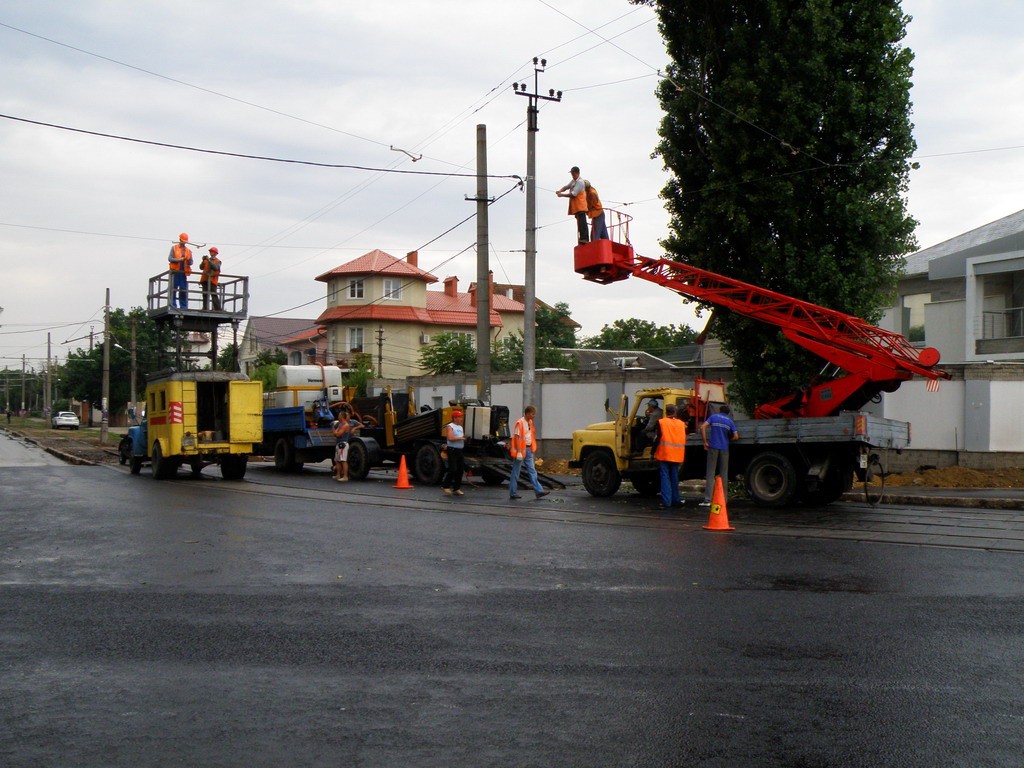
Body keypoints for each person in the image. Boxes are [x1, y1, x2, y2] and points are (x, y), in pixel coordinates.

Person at [508, 405, 550, 500]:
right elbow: (517, 438)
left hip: (528, 450)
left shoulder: (530, 422)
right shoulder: (520, 423)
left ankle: (539, 491)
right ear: (527, 414)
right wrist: (518, 452)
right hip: (521, 451)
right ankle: (513, 492)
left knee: (532, 471)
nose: (534, 415)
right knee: (516, 472)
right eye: (532, 414)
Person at [700, 404, 739, 506]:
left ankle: (708, 499)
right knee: (724, 474)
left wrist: (705, 441)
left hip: (713, 446)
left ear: (719, 410)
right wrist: (728, 439)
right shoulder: (729, 421)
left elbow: (702, 427)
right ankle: (724, 500)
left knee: (710, 473)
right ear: (728, 413)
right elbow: (736, 436)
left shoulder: (713, 417)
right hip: (724, 448)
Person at [655, 403, 687, 509]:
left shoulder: (661, 422)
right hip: (677, 454)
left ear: (666, 411)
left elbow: (657, 438)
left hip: (664, 453)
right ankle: (676, 500)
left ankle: (666, 502)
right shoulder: (681, 424)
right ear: (675, 412)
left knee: (665, 477)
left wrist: (652, 453)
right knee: (674, 478)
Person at [555, 166, 589, 245]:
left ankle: (585, 238)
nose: (572, 175)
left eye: (573, 173)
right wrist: (559, 191)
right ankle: (582, 238)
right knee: (580, 223)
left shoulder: (580, 182)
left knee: (582, 223)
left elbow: (574, 194)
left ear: (577, 173)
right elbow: (566, 187)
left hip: (581, 206)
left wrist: (562, 195)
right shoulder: (573, 181)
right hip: (577, 207)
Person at [332, 405, 362, 482]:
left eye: (339, 415)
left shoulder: (345, 425)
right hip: (338, 443)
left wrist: (336, 432)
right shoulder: (339, 424)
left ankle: (345, 476)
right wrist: (335, 432)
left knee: (343, 460)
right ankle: (338, 475)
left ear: (342, 417)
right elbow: (335, 433)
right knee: (337, 460)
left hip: (343, 444)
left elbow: (338, 434)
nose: (338, 416)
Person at [441, 409, 466, 496]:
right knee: (453, 469)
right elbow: (450, 438)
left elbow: (460, 436)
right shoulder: (450, 426)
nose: (461, 419)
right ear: (455, 418)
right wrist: (461, 438)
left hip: (459, 450)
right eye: (460, 417)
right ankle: (445, 486)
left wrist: (464, 438)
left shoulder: (460, 427)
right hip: (452, 450)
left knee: (460, 470)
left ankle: (456, 488)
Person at [167, 232, 193, 309]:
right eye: (183, 241)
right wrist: (178, 260)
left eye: (185, 241)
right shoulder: (174, 248)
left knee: (183, 289)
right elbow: (170, 258)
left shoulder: (188, 251)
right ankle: (173, 305)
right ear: (180, 240)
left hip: (183, 272)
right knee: (173, 289)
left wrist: (188, 261)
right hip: (175, 272)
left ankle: (183, 306)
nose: (184, 242)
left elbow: (191, 262)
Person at [200, 247, 222, 311]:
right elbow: (201, 267)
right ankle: (205, 308)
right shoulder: (206, 260)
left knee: (214, 294)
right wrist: (203, 260)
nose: (211, 252)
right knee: (205, 294)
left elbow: (215, 268)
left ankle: (218, 309)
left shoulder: (218, 261)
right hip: (205, 279)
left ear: (215, 253)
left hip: (212, 279)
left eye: (212, 251)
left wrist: (209, 261)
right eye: (210, 251)